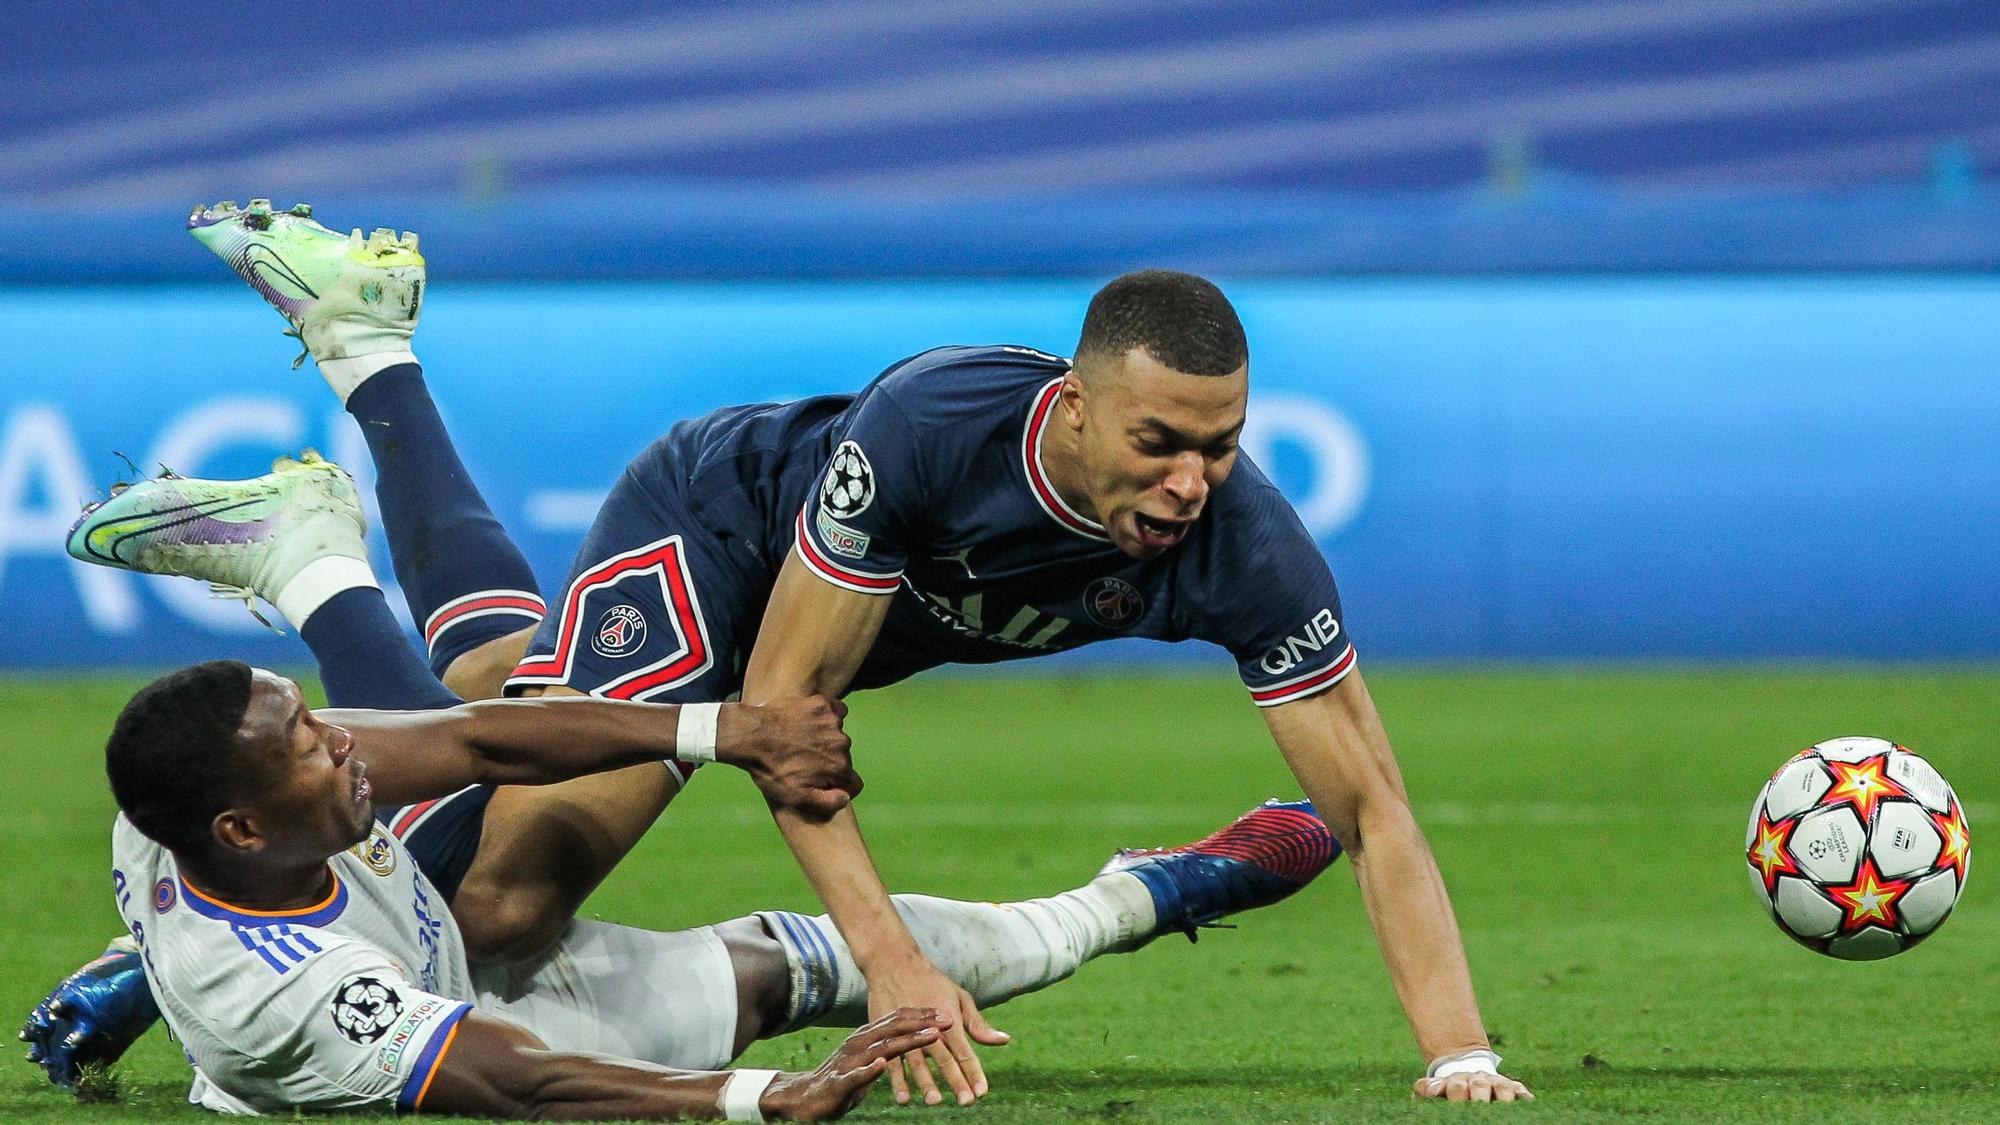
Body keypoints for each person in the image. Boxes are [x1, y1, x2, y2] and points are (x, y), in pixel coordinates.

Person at [127, 199, 1524, 1103]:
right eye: (1159, 445)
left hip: (793, 629)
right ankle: (335, 477)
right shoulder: (935, 432)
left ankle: (334, 471)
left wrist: (1459, 1054)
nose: (1189, 484)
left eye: (1220, 448)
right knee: (501, 901)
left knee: (500, 695)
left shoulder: (1246, 544)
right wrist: (893, 963)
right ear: (1080, 407)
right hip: (720, 533)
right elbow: (789, 715)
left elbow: (1373, 808)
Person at [29, 441, 1339, 1117]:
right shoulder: (298, 1004)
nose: (344, 742)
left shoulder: (204, 815)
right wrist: (756, 1098)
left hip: (384, 921)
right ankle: (1139, 898)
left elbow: (479, 746)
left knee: (484, 715)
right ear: (242, 821)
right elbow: (525, 1083)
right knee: (784, 981)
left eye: (322, 724)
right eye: (310, 750)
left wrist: (725, 732)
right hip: (441, 1009)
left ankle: (317, 544)